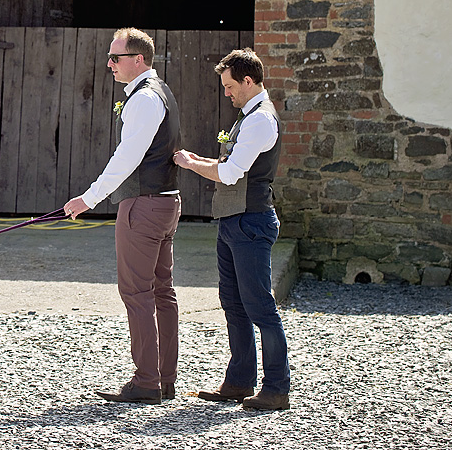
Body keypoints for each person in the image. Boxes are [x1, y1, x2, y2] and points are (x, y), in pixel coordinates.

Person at [64, 28, 182, 404]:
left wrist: (89, 198)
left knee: (137, 293)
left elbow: (127, 158)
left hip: (144, 207)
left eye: (116, 58)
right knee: (162, 291)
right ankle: (164, 379)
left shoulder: (145, 99)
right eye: (110, 57)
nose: (109, 64)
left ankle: (146, 381)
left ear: (139, 60)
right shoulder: (159, 92)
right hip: (166, 203)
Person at [173, 47, 291, 411]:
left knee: (260, 307)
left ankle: (276, 387)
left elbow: (229, 173)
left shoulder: (259, 120)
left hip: (250, 221)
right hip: (233, 220)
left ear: (248, 81)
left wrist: (192, 166)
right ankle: (239, 381)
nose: (226, 93)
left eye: (229, 86)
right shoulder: (249, 115)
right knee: (234, 304)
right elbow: (229, 163)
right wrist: (197, 159)